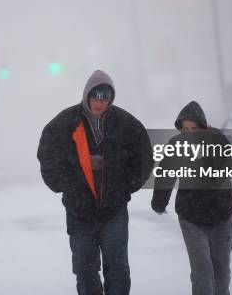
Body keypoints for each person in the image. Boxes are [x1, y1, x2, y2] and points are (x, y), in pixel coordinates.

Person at [37, 69, 153, 295]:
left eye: (105, 98)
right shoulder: (65, 122)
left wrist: (124, 188)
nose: (100, 103)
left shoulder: (126, 123)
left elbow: (144, 157)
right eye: (96, 97)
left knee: (117, 270)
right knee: (84, 270)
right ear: (87, 95)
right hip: (80, 212)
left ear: (111, 99)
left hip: (114, 211)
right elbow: (47, 153)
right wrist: (65, 184)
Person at [151, 101, 232, 295]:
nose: (190, 133)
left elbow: (231, 163)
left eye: (194, 128)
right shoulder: (176, 145)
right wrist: (159, 201)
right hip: (191, 218)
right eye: (186, 129)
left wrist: (216, 174)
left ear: (203, 127)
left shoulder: (216, 139)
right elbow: (165, 174)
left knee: (221, 272)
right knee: (202, 270)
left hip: (222, 217)